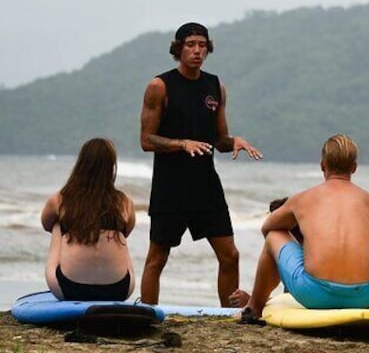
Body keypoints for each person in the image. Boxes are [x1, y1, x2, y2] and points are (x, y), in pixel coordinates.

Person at [139, 22, 263, 306]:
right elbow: (146, 140)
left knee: (230, 255)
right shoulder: (159, 86)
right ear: (178, 48)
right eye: (191, 44)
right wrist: (182, 144)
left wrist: (234, 142)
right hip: (170, 186)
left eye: (202, 45)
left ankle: (228, 316)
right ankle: (147, 314)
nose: (197, 51)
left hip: (206, 185)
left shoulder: (215, 86)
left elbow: (218, 140)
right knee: (157, 258)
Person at [239, 134, 369, 322]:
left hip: (315, 294)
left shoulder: (303, 198)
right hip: (363, 296)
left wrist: (305, 241)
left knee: (274, 235)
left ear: (322, 165)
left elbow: (267, 227)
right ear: (354, 168)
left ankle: (254, 306)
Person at [229, 197, 369, 310]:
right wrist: (257, 299)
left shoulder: (313, 253)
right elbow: (290, 301)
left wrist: (256, 302)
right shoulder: (302, 262)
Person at [41, 138, 136, 301]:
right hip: (120, 289)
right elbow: (127, 232)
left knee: (57, 225)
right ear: (111, 167)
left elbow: (46, 224)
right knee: (119, 232)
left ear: (81, 164)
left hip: (69, 288)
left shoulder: (60, 199)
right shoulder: (124, 201)